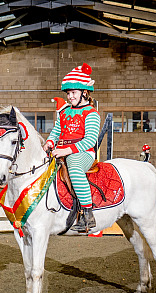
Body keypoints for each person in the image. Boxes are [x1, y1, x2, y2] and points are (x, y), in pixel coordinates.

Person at [43, 63, 101, 232]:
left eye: (73, 93)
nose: (70, 97)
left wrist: (67, 151)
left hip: (83, 153)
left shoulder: (91, 113)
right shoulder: (64, 112)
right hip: (61, 150)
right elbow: (56, 131)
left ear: (84, 92)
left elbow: (90, 140)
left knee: (74, 168)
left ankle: (87, 214)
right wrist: (49, 142)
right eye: (68, 93)